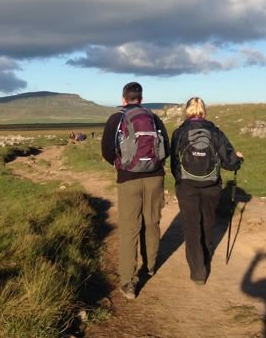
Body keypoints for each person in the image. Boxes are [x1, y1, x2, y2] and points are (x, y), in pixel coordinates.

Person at [101, 82, 169, 299]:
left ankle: (129, 282)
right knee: (151, 222)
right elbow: (164, 148)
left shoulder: (116, 118)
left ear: (124, 99)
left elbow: (106, 150)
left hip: (128, 179)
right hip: (155, 177)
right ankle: (150, 266)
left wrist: (121, 165)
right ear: (141, 98)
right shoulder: (154, 118)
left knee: (130, 228)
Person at [170, 97, 243, 285]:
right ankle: (206, 256)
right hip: (211, 187)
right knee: (208, 222)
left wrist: (180, 179)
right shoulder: (215, 132)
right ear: (204, 111)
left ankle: (198, 271)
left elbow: (174, 164)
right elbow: (229, 162)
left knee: (191, 226)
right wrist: (238, 159)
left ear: (187, 112)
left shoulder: (179, 133)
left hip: (186, 186)